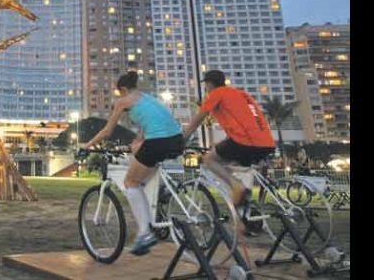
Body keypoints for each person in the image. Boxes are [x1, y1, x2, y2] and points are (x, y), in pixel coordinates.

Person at [80, 71, 184, 256]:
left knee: (130, 183)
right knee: (141, 177)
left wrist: (87, 146)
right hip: (176, 139)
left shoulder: (125, 100)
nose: (119, 98)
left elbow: (107, 131)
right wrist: (134, 145)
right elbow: (143, 134)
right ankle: (162, 194)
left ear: (124, 89)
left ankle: (145, 233)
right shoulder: (147, 99)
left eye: (119, 93)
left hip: (158, 141)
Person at [183, 70, 276, 205]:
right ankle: (242, 215)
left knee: (209, 159)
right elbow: (244, 123)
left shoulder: (216, 94)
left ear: (209, 84)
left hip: (246, 143)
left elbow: (196, 120)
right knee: (232, 166)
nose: (206, 88)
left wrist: (182, 139)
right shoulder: (241, 94)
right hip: (266, 143)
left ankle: (237, 186)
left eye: (206, 85)